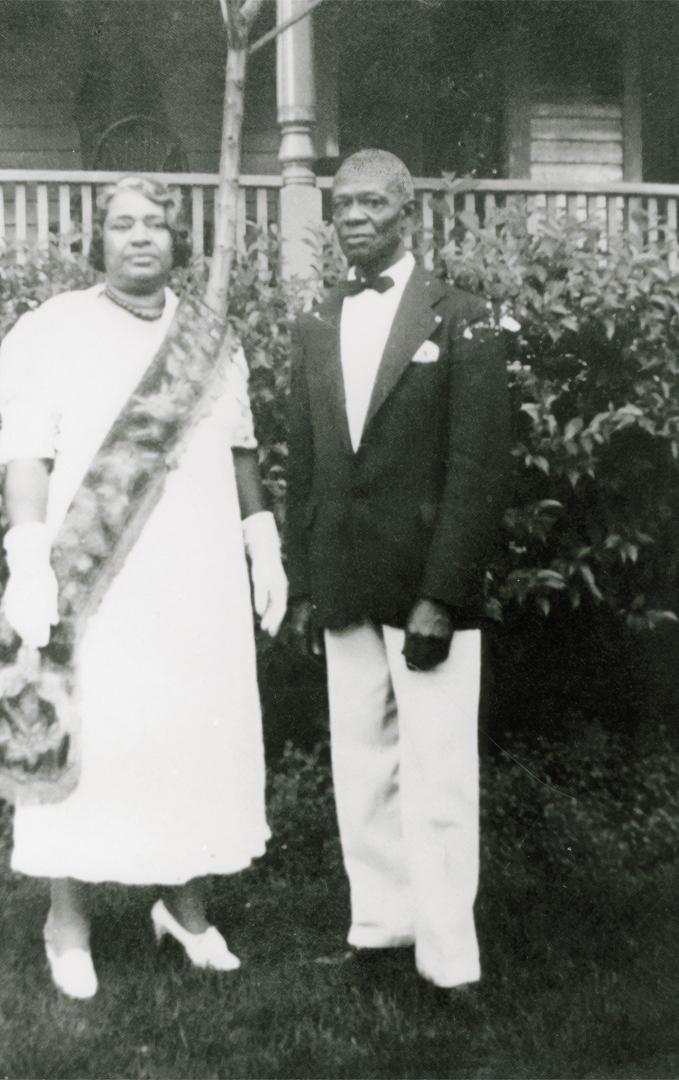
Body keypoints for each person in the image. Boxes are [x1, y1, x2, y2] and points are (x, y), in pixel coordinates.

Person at [0, 175, 288, 999]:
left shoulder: (209, 337)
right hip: (93, 575)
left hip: (194, 575)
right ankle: (68, 921)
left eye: (157, 223)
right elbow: (26, 455)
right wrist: (27, 553)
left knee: (190, 732)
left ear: (177, 240)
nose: (141, 237)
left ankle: (184, 910)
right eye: (122, 224)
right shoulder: (51, 331)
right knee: (93, 733)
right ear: (99, 239)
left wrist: (260, 537)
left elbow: (240, 448)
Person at [285, 150, 511, 997]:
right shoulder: (314, 319)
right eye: (342, 205)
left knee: (441, 773)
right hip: (344, 579)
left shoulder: (465, 318)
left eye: (373, 204)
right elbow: (305, 459)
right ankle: (381, 927)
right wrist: (305, 583)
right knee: (362, 761)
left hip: (426, 591)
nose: (354, 218)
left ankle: (450, 957)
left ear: (409, 213)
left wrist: (441, 595)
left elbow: (479, 465)